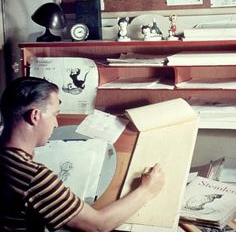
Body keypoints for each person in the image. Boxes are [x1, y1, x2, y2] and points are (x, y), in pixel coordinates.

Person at [0, 76, 165, 232]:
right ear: (35, 116)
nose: (56, 123)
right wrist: (147, 190)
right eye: (55, 115)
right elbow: (98, 225)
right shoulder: (32, 176)